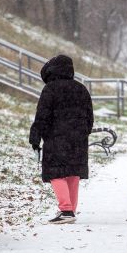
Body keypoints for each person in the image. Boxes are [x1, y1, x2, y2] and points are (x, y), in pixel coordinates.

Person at [30, 54, 94, 224]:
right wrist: (83, 132)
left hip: (56, 138)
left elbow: (42, 116)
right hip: (78, 140)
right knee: (73, 172)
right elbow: (89, 116)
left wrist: (35, 138)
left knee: (55, 172)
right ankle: (71, 209)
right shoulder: (81, 89)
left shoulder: (50, 89)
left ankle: (66, 210)